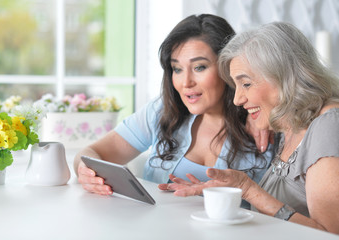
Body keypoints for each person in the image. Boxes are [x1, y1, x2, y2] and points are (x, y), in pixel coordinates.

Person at [159, 22, 339, 234]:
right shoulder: (288, 126)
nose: (237, 99)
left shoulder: (329, 124)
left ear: (283, 76)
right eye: (236, 87)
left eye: (246, 84)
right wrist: (233, 190)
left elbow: (329, 234)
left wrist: (249, 190)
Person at [74, 14, 273, 197]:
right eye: (177, 69)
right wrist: (85, 172)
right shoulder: (162, 111)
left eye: (199, 67)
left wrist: (262, 115)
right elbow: (90, 153)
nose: (186, 82)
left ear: (228, 66)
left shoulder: (264, 122)